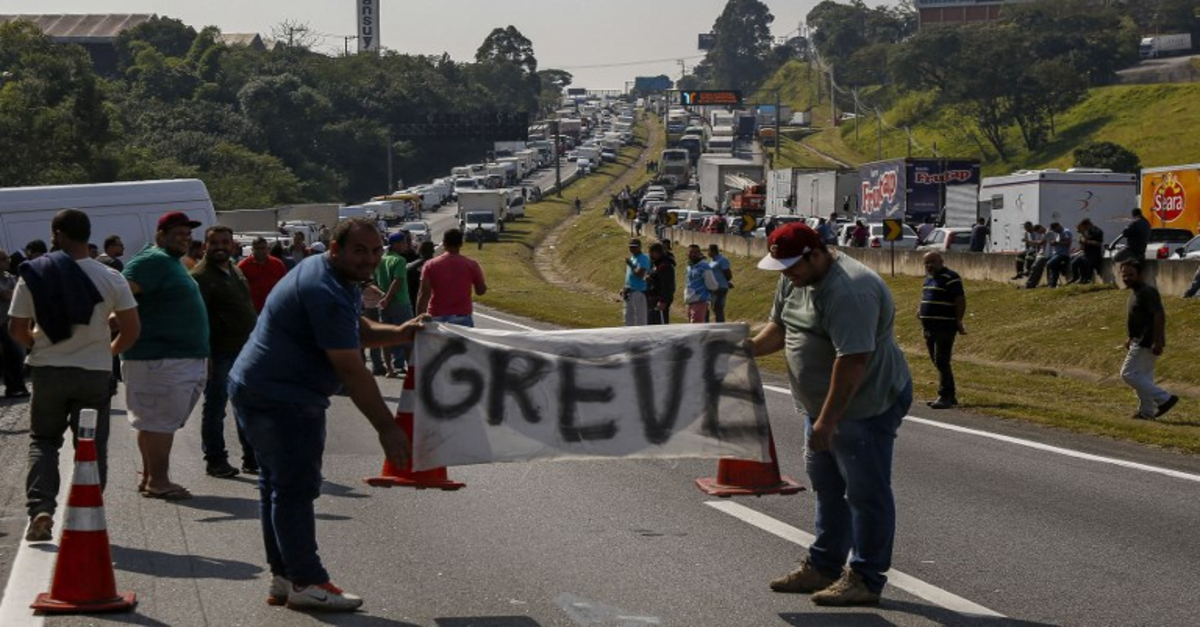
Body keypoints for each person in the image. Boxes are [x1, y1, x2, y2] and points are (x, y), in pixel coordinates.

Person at [228, 217, 426, 612]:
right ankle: (307, 580)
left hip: (258, 386)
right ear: (334, 249)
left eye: (375, 251)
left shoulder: (332, 276)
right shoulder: (326, 288)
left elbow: (352, 329)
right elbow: (352, 368)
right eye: (359, 251)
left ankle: (285, 577)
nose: (369, 259)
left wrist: (400, 332)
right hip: (282, 397)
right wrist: (387, 429)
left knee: (277, 487)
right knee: (296, 489)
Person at [751, 223, 912, 607]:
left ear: (817, 252)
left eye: (793, 265)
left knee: (864, 491)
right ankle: (824, 565)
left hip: (863, 404)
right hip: (821, 405)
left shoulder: (850, 290)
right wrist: (746, 348)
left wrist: (828, 421)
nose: (787, 274)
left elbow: (853, 361)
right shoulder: (796, 278)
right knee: (827, 486)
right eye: (782, 266)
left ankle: (866, 578)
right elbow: (779, 327)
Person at [9, 209, 139, 542]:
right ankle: (87, 513)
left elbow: (17, 329)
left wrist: (36, 345)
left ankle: (41, 509)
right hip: (93, 375)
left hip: (49, 372)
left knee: (44, 442)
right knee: (92, 447)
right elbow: (131, 330)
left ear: (59, 234)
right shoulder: (111, 276)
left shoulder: (34, 274)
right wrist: (106, 353)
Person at [122, 211, 210, 500]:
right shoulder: (152, 261)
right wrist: (119, 329)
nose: (185, 238)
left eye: (188, 233)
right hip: (161, 359)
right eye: (178, 233)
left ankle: (151, 477)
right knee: (159, 422)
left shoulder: (168, 261)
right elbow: (121, 296)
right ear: (160, 234)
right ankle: (159, 480)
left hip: (169, 359)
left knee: (152, 421)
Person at [191, 225, 260, 478]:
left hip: (244, 351)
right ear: (205, 246)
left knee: (247, 406)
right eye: (215, 242)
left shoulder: (234, 269)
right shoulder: (201, 277)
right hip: (219, 353)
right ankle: (215, 459)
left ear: (232, 245)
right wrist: (205, 355)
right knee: (215, 408)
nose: (220, 247)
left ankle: (252, 458)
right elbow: (198, 321)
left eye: (225, 242)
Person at [1119, 259, 1178, 421]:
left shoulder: (1147, 292)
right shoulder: (1136, 293)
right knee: (1143, 377)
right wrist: (1130, 337)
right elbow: (1138, 318)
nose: (1127, 278)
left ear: (1141, 274)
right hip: (1138, 339)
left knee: (1128, 374)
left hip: (1147, 341)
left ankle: (1165, 399)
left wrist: (1157, 340)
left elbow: (1159, 315)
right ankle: (1146, 412)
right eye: (1124, 275)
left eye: (1131, 275)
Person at [919, 252, 966, 409]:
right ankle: (949, 394)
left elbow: (959, 299)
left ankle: (945, 395)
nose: (929, 266)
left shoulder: (951, 277)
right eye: (926, 263)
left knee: (941, 360)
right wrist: (921, 310)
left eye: (932, 262)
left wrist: (959, 320)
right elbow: (927, 297)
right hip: (929, 326)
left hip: (945, 325)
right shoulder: (929, 279)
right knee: (936, 360)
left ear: (941, 261)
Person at [415, 229, 486, 327]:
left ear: (444, 243)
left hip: (437, 315)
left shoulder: (430, 265)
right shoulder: (471, 265)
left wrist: (418, 318)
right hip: (462, 315)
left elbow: (423, 294)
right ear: (461, 244)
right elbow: (481, 291)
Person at [376, 232, 413, 375]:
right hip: (400, 302)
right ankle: (411, 368)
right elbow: (397, 281)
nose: (406, 245)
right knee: (408, 335)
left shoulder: (381, 260)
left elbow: (374, 282)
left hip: (384, 304)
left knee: (386, 337)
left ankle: (390, 368)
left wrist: (383, 297)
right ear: (396, 244)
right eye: (404, 242)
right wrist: (388, 297)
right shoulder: (400, 260)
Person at [0, 250, 29, 398]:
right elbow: (8, 294)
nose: (7, 261)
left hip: (8, 321)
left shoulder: (9, 277)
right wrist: (12, 293)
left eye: (7, 258)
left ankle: (16, 387)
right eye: (3, 259)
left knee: (16, 355)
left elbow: (19, 293)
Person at [238, 237, 289, 313]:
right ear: (252, 249)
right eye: (257, 248)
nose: (260, 251)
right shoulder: (243, 266)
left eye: (263, 248)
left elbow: (285, 285)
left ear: (268, 249)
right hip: (252, 310)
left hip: (274, 308)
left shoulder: (278, 264)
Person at [683, 244, 718, 324]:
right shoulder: (689, 266)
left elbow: (712, 285)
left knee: (696, 326)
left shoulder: (704, 267)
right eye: (691, 252)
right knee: (691, 325)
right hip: (690, 300)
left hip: (700, 300)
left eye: (696, 252)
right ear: (687, 253)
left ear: (700, 254)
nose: (694, 254)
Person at [622, 239, 650, 326]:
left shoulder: (644, 258)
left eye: (634, 247)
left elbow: (640, 274)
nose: (632, 249)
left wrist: (631, 264)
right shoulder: (632, 258)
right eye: (630, 247)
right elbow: (629, 276)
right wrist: (624, 287)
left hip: (638, 291)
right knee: (628, 317)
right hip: (629, 291)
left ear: (639, 247)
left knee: (640, 319)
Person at [646, 242, 675, 325]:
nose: (649, 255)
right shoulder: (656, 264)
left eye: (650, 253)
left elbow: (666, 285)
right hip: (653, 297)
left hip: (659, 299)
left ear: (655, 252)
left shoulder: (664, 266)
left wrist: (663, 301)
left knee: (659, 323)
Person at [1070, 219, 1105, 285]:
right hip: (1086, 253)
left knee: (1087, 263)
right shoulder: (1087, 231)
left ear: (1088, 225)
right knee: (1074, 263)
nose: (1085, 229)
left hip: (1094, 253)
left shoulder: (1097, 231)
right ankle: (1076, 277)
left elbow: (1098, 243)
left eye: (1085, 227)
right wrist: (1079, 247)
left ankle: (1087, 279)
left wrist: (1086, 240)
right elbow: (1084, 242)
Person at [707, 244, 733, 323]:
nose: (707, 253)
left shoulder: (722, 260)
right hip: (714, 288)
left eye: (708, 251)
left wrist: (725, 282)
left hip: (720, 287)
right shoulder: (712, 261)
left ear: (712, 251)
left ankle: (720, 325)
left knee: (718, 307)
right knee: (714, 307)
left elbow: (728, 273)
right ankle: (718, 323)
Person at [1023, 225, 1054, 289]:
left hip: (1046, 255)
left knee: (1035, 268)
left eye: (1038, 231)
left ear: (1040, 228)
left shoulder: (1048, 233)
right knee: (1037, 269)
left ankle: (1030, 285)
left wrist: (1028, 241)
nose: (1039, 233)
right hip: (1043, 254)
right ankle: (1032, 284)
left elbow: (1041, 242)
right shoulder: (1044, 233)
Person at [1045, 222, 1073, 288]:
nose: (1054, 231)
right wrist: (1053, 243)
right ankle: (1052, 284)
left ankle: (1063, 270)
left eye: (1055, 229)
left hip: (1063, 254)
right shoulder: (1058, 233)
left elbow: (1067, 243)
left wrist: (1056, 243)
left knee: (1049, 264)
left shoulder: (1066, 232)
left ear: (1058, 226)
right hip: (1057, 253)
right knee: (1054, 268)